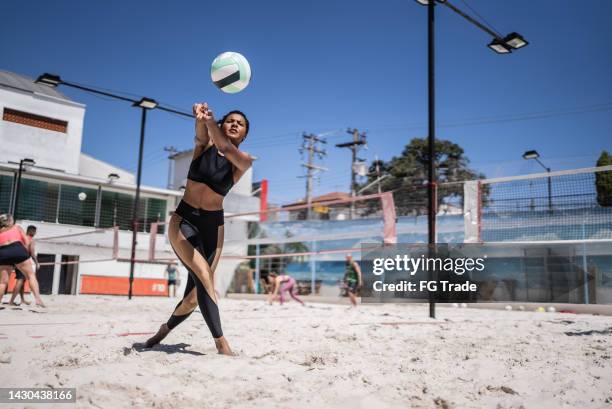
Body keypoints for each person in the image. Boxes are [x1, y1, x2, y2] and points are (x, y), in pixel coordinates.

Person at [145, 103, 252, 355]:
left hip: (213, 226)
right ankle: (221, 343)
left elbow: (225, 147)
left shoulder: (243, 162)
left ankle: (165, 329)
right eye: (230, 121)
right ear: (222, 125)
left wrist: (212, 121)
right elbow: (203, 134)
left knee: (194, 297)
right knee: (205, 278)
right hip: (185, 220)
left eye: (240, 123)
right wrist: (201, 119)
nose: (235, 124)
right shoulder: (203, 146)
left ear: (245, 135)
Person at [0, 215, 45, 307]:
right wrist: (23, 254)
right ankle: (38, 300)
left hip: (3, 252)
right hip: (17, 249)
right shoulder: (17, 227)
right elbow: (27, 242)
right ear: (10, 221)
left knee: (3, 282)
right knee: (31, 275)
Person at [9, 225, 39, 306]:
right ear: (32, 231)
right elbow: (32, 253)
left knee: (22, 280)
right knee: (20, 280)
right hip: (23, 261)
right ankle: (11, 301)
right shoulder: (31, 240)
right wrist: (36, 263)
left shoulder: (21, 238)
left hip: (16, 260)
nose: (36, 233)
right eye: (35, 231)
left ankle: (22, 299)